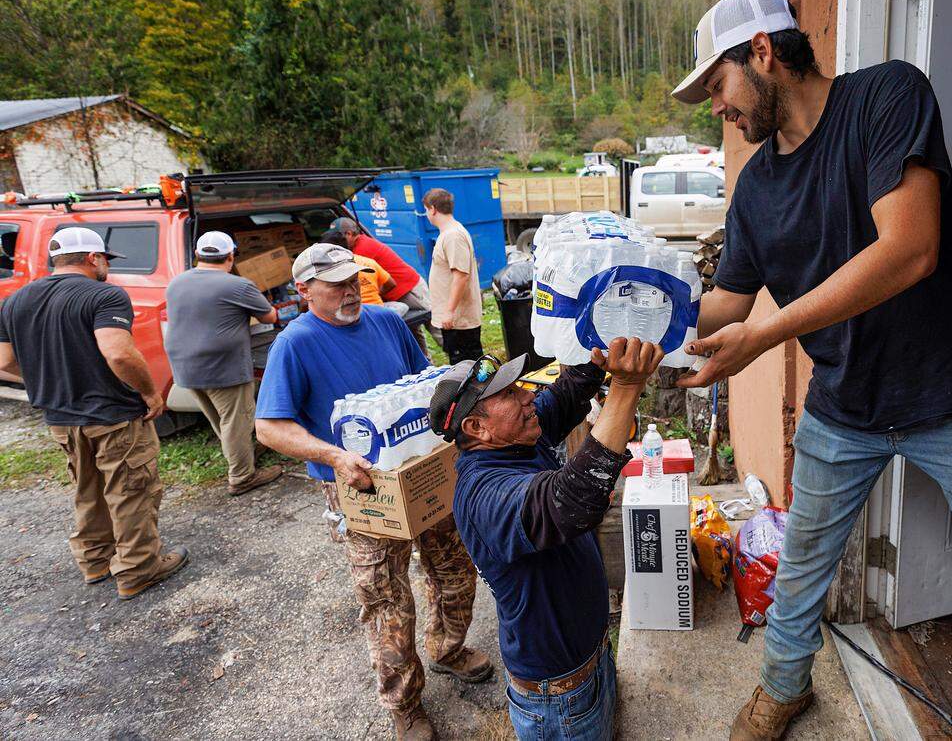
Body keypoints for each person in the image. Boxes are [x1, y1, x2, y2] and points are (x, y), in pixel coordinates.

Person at [671, 0, 952, 739]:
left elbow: (910, 248)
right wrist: (641, 316)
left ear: (764, 54)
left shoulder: (888, 95)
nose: (718, 108)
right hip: (846, 405)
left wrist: (771, 333)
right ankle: (782, 685)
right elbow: (726, 308)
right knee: (803, 561)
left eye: (718, 85)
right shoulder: (755, 190)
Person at [254, 243, 489, 741]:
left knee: (454, 568)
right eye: (335, 284)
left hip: (421, 473)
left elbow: (425, 385)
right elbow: (270, 428)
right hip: (361, 490)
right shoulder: (294, 343)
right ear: (303, 290)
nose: (350, 290)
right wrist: (336, 456)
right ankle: (405, 704)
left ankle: (447, 650)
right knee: (386, 599)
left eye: (353, 279)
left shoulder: (386, 321)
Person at [429, 338, 663, 741]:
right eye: (509, 394)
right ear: (476, 428)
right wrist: (626, 388)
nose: (527, 396)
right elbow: (575, 498)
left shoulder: (518, 435)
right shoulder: (483, 494)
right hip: (559, 702)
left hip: (593, 659)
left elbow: (568, 391)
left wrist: (599, 353)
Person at [0, 226, 189, 600]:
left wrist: (52, 380)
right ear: (93, 258)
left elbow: (4, 362)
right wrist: (150, 392)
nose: (107, 267)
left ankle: (96, 560)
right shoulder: (104, 295)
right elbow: (118, 352)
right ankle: (139, 569)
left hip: (61, 418)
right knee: (131, 491)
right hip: (113, 415)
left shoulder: (15, 301)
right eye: (105, 259)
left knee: (88, 490)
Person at [164, 231, 284, 496]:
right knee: (236, 420)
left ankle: (241, 455)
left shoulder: (176, 282)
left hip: (184, 364)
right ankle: (242, 477)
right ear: (231, 256)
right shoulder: (237, 285)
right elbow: (269, 316)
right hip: (221, 365)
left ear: (197, 255)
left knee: (221, 420)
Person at [329, 217, 441, 351]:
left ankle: (460, 360)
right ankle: (425, 363)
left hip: (409, 289)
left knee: (435, 327)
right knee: (412, 332)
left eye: (338, 237)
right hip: (395, 292)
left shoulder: (362, 249)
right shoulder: (356, 247)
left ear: (349, 234)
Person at [423, 188, 483, 364]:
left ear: (433, 209)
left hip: (458, 320)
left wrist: (448, 312)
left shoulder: (453, 236)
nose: (427, 214)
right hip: (455, 319)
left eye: (426, 209)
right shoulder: (449, 233)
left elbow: (461, 276)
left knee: (467, 369)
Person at [320, 229, 395, 305]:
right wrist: (375, 293)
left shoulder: (326, 269)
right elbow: (391, 283)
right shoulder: (369, 262)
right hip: (377, 307)